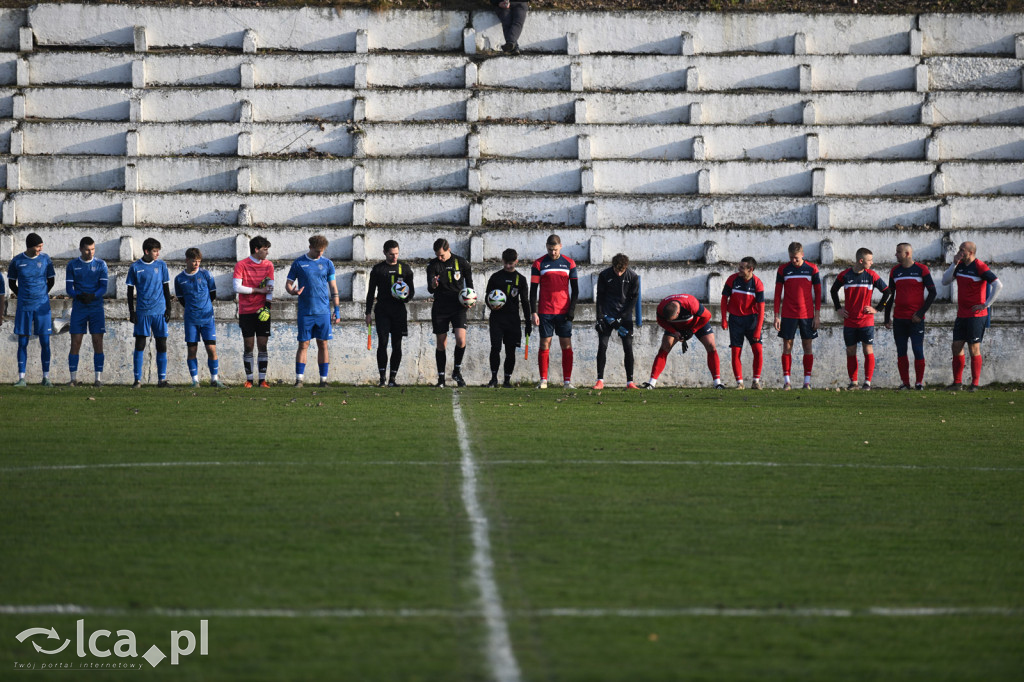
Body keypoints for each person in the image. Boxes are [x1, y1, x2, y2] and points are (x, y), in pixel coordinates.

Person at [941, 241, 1002, 392]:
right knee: (956, 346)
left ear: (971, 252)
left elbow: (998, 285)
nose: (959, 252)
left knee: (973, 347)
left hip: (976, 315)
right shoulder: (960, 265)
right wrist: (954, 264)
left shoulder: (980, 266)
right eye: (959, 249)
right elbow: (945, 281)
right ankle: (957, 383)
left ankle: (974, 384)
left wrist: (986, 304)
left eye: (962, 250)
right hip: (962, 314)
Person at [830, 248, 889, 391]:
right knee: (850, 351)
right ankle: (853, 382)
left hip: (866, 321)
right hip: (850, 321)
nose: (872, 263)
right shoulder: (845, 275)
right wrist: (838, 308)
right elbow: (833, 290)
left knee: (867, 349)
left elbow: (887, 292)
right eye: (870, 260)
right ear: (861, 261)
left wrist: (877, 309)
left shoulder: (871, 275)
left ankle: (867, 383)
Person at [286, 235, 339, 388]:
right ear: (310, 247)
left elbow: (333, 287)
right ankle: (299, 380)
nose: (319, 254)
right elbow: (288, 284)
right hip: (305, 311)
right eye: (317, 251)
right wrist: (292, 291)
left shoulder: (327, 263)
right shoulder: (299, 263)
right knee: (303, 344)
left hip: (323, 311)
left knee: (323, 344)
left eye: (322, 251)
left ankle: (323, 380)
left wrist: (337, 309)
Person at [641, 293, 723, 389]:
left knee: (711, 346)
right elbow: (660, 321)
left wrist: (693, 330)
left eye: (672, 319)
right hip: (675, 327)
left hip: (696, 323)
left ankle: (717, 383)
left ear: (678, 313)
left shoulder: (691, 304)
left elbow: (708, 315)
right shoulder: (661, 307)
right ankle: (651, 383)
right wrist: (674, 332)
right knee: (664, 347)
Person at [884, 243, 936, 390]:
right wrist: (887, 317)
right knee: (901, 351)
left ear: (907, 254)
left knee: (917, 350)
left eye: (898, 252)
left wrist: (921, 313)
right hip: (899, 318)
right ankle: (905, 383)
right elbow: (890, 295)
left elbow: (933, 292)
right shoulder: (895, 271)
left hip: (915, 319)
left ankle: (919, 383)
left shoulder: (922, 269)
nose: (895, 254)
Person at [531, 234, 578, 389]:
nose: (553, 252)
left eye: (555, 249)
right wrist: (534, 312)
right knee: (545, 344)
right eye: (550, 249)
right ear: (546, 247)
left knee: (566, 345)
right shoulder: (538, 264)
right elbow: (533, 290)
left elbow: (575, 290)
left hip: (564, 311)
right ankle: (543, 380)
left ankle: (567, 382)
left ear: (561, 247)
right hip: (545, 311)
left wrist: (572, 310)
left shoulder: (569, 263)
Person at [365, 240, 415, 387]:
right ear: (385, 253)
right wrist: (368, 313)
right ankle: (382, 378)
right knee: (383, 343)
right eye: (391, 254)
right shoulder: (378, 269)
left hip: (399, 311)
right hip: (382, 311)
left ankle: (392, 379)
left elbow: (411, 292)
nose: (394, 257)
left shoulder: (405, 269)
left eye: (396, 254)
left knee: (397, 345)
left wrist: (404, 297)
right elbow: (370, 293)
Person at [9, 232, 55, 387]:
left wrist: (41, 294)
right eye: (38, 246)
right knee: (22, 342)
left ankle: (46, 377)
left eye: (41, 246)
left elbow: (51, 280)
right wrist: (22, 295)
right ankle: (22, 378)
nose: (40, 249)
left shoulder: (45, 259)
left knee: (45, 341)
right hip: (24, 307)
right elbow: (11, 283)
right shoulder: (17, 261)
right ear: (30, 246)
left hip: (42, 307)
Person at [773, 241, 821, 390]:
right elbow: (777, 293)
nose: (793, 260)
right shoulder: (783, 269)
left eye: (796, 258)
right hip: (788, 314)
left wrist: (817, 315)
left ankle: (807, 382)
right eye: (791, 258)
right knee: (787, 345)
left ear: (802, 255)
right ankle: (787, 381)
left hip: (807, 314)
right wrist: (776, 315)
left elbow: (818, 292)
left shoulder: (812, 268)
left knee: (807, 345)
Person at [426, 238, 473, 388]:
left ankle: (456, 371)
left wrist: (471, 299)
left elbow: (470, 284)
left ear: (449, 250)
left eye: (442, 255)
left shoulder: (462, 262)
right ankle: (441, 379)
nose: (440, 258)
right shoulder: (433, 265)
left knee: (461, 340)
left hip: (458, 306)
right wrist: (434, 284)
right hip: (440, 307)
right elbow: (430, 289)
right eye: (438, 255)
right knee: (441, 343)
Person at [126, 237, 172, 388]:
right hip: (143, 312)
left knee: (162, 344)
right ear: (147, 251)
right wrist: (132, 311)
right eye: (155, 251)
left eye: (158, 251)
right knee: (140, 344)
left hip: (159, 311)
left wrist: (169, 308)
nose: (158, 254)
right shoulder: (135, 267)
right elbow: (129, 291)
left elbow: (166, 288)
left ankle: (162, 380)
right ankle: (137, 380)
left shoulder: (161, 265)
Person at [175, 248, 223, 388]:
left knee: (211, 349)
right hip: (191, 319)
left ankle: (214, 379)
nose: (196, 264)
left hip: (207, 318)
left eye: (199, 261)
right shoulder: (179, 279)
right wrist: (193, 309)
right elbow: (181, 299)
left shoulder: (206, 274)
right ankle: (195, 381)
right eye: (194, 261)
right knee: (192, 350)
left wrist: (204, 307)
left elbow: (212, 294)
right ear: (187, 260)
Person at [485, 248, 532, 388]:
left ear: (516, 261)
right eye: (505, 263)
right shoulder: (495, 277)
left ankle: (507, 380)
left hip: (513, 320)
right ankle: (493, 378)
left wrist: (528, 323)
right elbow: (487, 297)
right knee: (495, 348)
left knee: (510, 351)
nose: (508, 266)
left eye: (511, 263)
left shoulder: (521, 279)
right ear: (502, 260)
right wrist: (491, 305)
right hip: (497, 319)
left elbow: (525, 302)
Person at [65, 236, 108, 387]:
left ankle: (98, 379)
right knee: (76, 342)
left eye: (93, 249)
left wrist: (93, 296)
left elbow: (103, 287)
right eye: (87, 250)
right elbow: (69, 288)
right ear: (81, 249)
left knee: (98, 341)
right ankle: (73, 379)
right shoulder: (72, 265)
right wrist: (79, 295)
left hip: (96, 308)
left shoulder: (101, 264)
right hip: (79, 307)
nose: (91, 253)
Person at [593, 253, 640, 390]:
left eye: (622, 271)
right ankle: (600, 381)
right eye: (616, 270)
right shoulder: (604, 275)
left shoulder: (633, 277)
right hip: (607, 316)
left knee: (628, 347)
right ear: (612, 266)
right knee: (602, 346)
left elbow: (633, 300)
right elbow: (600, 297)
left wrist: (622, 316)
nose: (619, 274)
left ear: (626, 267)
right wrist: (599, 318)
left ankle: (630, 382)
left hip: (624, 317)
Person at [233, 235, 274, 388]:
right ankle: (249, 380)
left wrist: (267, 306)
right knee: (249, 345)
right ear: (256, 250)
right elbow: (237, 287)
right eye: (265, 249)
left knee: (263, 345)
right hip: (246, 311)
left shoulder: (269, 265)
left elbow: (270, 287)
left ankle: (262, 380)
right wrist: (258, 290)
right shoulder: (241, 265)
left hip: (262, 310)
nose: (267, 252)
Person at [720, 257, 765, 390]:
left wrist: (758, 329)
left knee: (758, 350)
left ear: (750, 269)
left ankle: (755, 381)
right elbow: (724, 299)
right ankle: (739, 383)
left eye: (741, 267)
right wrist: (724, 319)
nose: (738, 269)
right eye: (739, 267)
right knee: (736, 352)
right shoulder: (732, 279)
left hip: (751, 320)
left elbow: (761, 308)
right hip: (735, 320)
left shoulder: (757, 283)